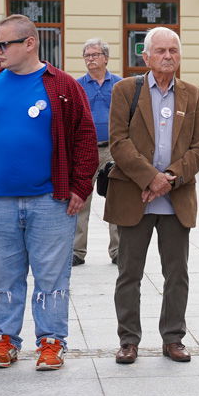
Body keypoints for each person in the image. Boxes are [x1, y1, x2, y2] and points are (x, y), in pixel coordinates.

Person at [0, 14, 98, 371]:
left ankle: (51, 342)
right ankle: (5, 341)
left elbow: (85, 138)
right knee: (5, 276)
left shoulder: (62, 85)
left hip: (51, 201)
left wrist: (80, 187)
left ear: (30, 43)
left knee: (52, 277)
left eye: (4, 44)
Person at [104, 27, 199, 365]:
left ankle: (173, 338)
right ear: (146, 56)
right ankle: (128, 340)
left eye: (173, 51)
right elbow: (118, 142)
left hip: (175, 200)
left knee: (177, 274)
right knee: (129, 274)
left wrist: (168, 180)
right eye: (160, 51)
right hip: (134, 197)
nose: (167, 56)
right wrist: (150, 178)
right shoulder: (125, 90)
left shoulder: (193, 95)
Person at [73, 38, 122, 266]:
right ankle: (77, 251)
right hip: (85, 149)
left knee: (116, 199)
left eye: (95, 55)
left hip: (113, 149)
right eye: (87, 56)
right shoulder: (77, 85)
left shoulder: (120, 85)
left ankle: (118, 250)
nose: (90, 59)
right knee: (80, 199)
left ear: (106, 58)